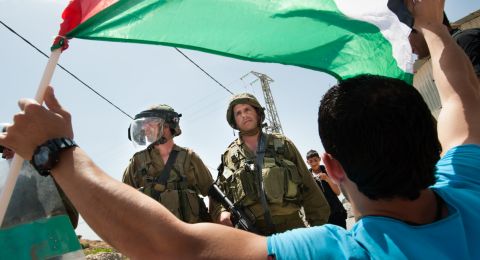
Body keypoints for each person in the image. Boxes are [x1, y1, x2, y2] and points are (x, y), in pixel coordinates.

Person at [0, 0, 479, 258]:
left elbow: (179, 247)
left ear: (330, 168)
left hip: (277, 234)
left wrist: (53, 150)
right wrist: (434, 26)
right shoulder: (469, 185)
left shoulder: (334, 251)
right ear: (434, 142)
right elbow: (463, 102)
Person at [213, 93, 330, 235]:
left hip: (292, 227)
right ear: (234, 121)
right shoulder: (229, 156)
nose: (244, 115)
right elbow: (218, 195)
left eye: (247, 109)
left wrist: (318, 229)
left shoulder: (282, 144)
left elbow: (309, 187)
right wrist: (222, 212)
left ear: (257, 112)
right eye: (238, 113)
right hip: (252, 232)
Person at [122, 104, 214, 223]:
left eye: (150, 123)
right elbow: (122, 197)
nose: (145, 128)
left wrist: (218, 217)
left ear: (166, 125)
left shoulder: (189, 157)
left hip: (190, 234)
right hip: (151, 235)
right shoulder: (138, 161)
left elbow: (211, 192)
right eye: (144, 124)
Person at [0, 146, 78, 229]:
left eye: (9, 148)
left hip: (47, 237)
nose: (4, 155)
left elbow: (68, 218)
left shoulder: (47, 176)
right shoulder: (6, 188)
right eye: (3, 151)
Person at [306, 149, 347, 228]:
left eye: (315, 160)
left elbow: (338, 192)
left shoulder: (328, 171)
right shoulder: (307, 176)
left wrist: (327, 179)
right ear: (307, 162)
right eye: (311, 161)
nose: (314, 163)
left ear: (319, 159)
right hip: (321, 216)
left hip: (336, 212)